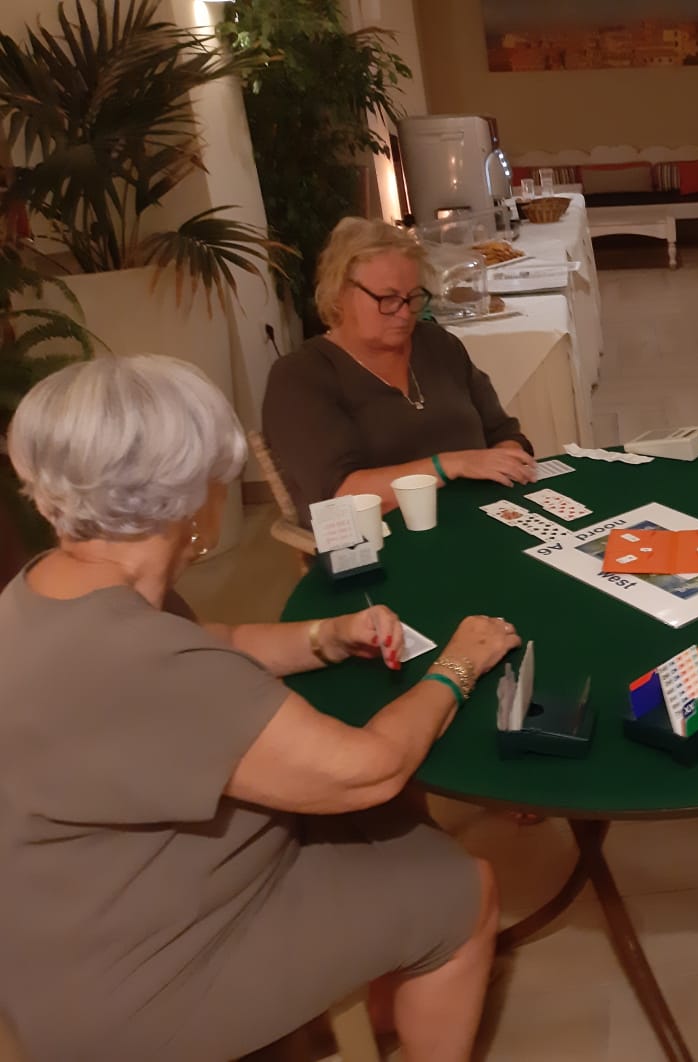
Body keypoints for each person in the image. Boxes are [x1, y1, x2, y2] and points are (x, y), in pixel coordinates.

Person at [0, 355, 522, 1061]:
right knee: (464, 889)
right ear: (192, 497)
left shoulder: (49, 585)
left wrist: (323, 637)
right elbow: (368, 769)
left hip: (71, 918)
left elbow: (210, 640)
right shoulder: (145, 663)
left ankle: (383, 997)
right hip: (139, 984)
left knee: (390, 824)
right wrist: (461, 662)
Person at [263, 217, 536, 522]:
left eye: (413, 297)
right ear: (340, 292)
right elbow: (341, 496)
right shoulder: (300, 377)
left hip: (483, 519)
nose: (405, 313)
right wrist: (452, 465)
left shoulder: (437, 344)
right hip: (383, 540)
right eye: (388, 298)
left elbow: (503, 433)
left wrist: (506, 462)